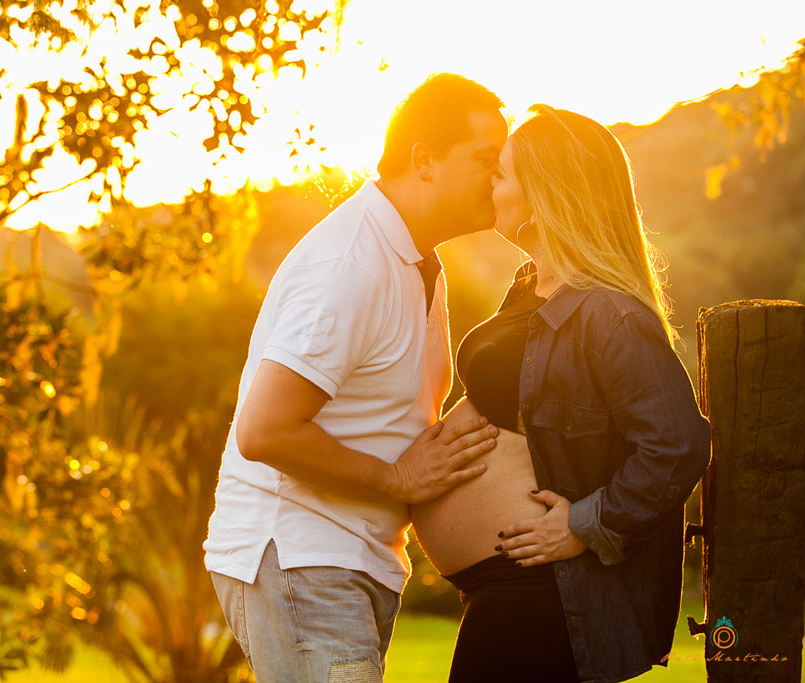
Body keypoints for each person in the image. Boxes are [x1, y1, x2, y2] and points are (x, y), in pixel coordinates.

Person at [203, 74, 509, 682]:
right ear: (424, 160)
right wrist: (398, 477)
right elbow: (263, 431)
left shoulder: (420, 260)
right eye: (484, 160)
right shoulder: (350, 265)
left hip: (349, 559)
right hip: (300, 558)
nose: (499, 179)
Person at [410, 105, 712, 682]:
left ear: (545, 191)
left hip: (541, 590)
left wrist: (583, 523)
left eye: (499, 175)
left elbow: (677, 444)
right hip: (504, 589)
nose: (488, 186)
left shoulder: (610, 313)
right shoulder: (529, 288)